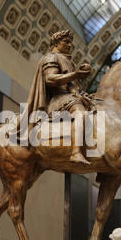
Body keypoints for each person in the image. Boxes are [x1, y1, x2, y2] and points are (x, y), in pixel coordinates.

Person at [25, 30, 93, 165]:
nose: (70, 45)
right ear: (56, 42)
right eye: (66, 42)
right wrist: (76, 75)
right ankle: (75, 152)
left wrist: (82, 93)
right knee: (80, 114)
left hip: (70, 97)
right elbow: (51, 79)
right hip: (58, 99)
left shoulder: (69, 61)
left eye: (71, 42)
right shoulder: (51, 57)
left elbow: (73, 87)